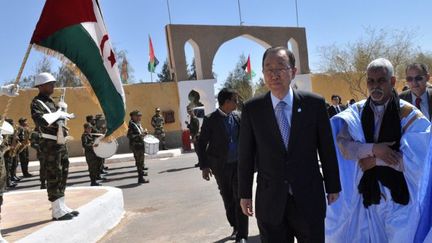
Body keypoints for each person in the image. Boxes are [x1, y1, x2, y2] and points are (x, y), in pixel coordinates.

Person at [238, 46, 341, 243]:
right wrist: (244, 194)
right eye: (268, 68)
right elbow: (246, 155)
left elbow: (326, 148)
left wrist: (333, 185)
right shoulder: (252, 109)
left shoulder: (314, 104)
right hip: (270, 200)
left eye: (280, 68)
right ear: (263, 74)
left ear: (293, 72)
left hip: (308, 196)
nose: (274, 74)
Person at [326, 58, 432, 242]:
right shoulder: (357, 111)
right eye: (371, 81)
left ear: (392, 82)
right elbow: (343, 146)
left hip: (400, 200)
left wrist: (375, 160)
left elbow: (419, 160)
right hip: (367, 198)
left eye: (381, 80)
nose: (375, 85)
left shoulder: (409, 114)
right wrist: (374, 149)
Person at [197, 88, 248, 242]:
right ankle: (235, 226)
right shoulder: (210, 119)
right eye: (235, 100)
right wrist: (204, 166)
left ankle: (242, 235)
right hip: (221, 167)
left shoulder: (238, 117)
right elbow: (201, 144)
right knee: (228, 198)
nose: (237, 102)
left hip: (238, 165)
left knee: (241, 197)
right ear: (226, 102)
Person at [30, 72, 78, 220]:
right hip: (49, 144)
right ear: (41, 86)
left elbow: (58, 121)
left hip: (59, 142)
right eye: (50, 83)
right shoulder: (37, 103)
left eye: (53, 83)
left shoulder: (51, 102)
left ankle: (62, 206)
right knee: (53, 174)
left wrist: (65, 114)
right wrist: (58, 114)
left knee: (63, 172)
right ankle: (56, 211)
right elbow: (42, 121)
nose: (53, 86)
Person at [127, 110, 149, 184]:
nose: (140, 117)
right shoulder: (131, 125)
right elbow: (130, 136)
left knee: (141, 162)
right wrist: (140, 135)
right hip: (136, 146)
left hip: (139, 145)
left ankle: (141, 175)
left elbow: (139, 133)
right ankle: (140, 178)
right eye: (138, 116)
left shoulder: (137, 123)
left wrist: (144, 133)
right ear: (133, 116)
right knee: (139, 162)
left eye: (140, 116)